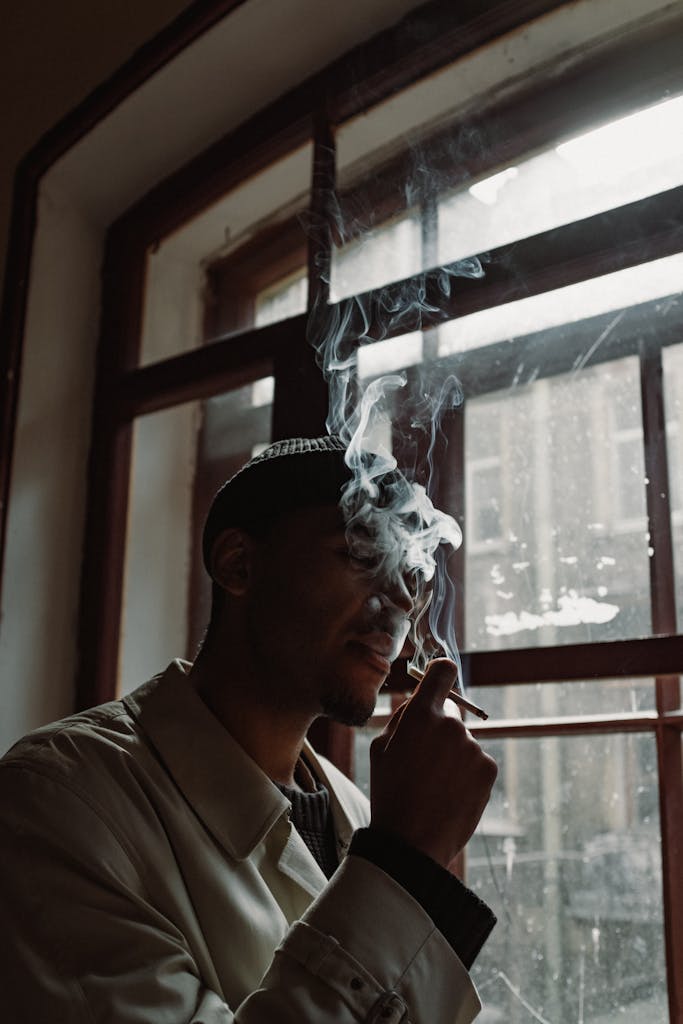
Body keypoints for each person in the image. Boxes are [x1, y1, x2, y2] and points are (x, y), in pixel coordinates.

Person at [0, 435, 498, 1023]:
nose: (397, 602)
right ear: (239, 564)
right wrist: (404, 864)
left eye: (408, 576)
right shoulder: (55, 804)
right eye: (364, 558)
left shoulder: (357, 811)